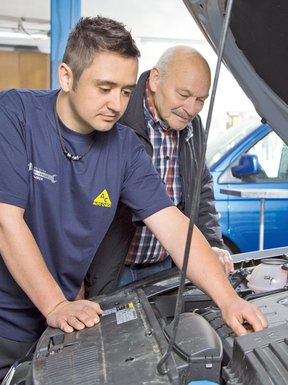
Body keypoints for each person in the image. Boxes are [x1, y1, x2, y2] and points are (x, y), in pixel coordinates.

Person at [0, 16, 266, 385]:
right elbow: (3, 220)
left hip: (53, 327)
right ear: (67, 76)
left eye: (127, 91)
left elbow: (174, 225)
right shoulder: (11, 114)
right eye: (105, 88)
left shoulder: (126, 150)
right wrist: (55, 304)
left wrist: (229, 301)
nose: (116, 104)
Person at [86, 45, 233, 295]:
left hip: (166, 267)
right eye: (183, 94)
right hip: (114, 270)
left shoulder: (193, 126)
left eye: (201, 100)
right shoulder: (116, 116)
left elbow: (201, 193)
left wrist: (210, 245)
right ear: (155, 79)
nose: (191, 108)